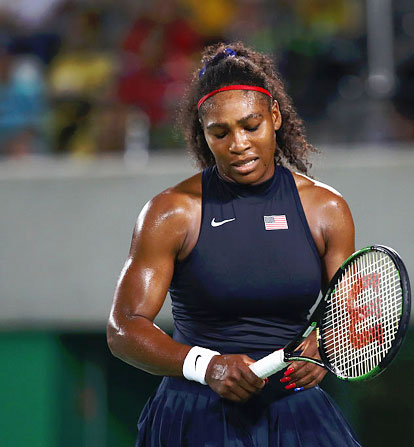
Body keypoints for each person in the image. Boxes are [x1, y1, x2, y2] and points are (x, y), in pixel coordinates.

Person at [107, 41, 361, 446]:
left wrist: (327, 348)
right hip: (194, 413)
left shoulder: (327, 209)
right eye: (220, 132)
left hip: (296, 411)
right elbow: (123, 329)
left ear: (274, 117)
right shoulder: (170, 212)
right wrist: (207, 366)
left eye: (250, 126)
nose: (238, 144)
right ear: (203, 133)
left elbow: (353, 313)